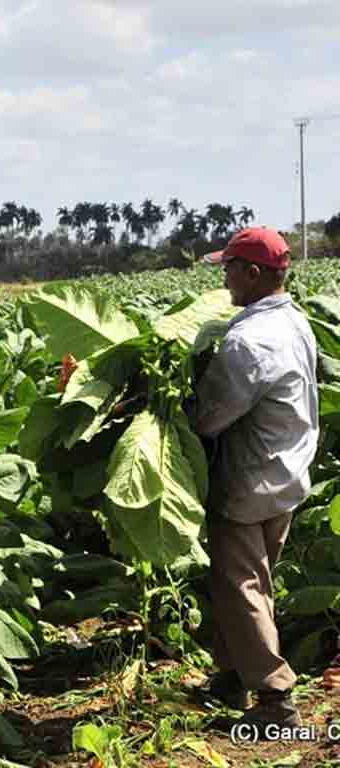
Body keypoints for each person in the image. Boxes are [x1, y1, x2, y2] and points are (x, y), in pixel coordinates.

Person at [192, 227, 319, 731]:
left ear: (252, 273)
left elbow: (210, 416)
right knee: (251, 583)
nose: (224, 279)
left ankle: (275, 699)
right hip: (287, 472)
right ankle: (231, 677)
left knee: (240, 584)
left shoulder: (247, 341)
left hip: (248, 482)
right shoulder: (295, 321)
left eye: (229, 268)